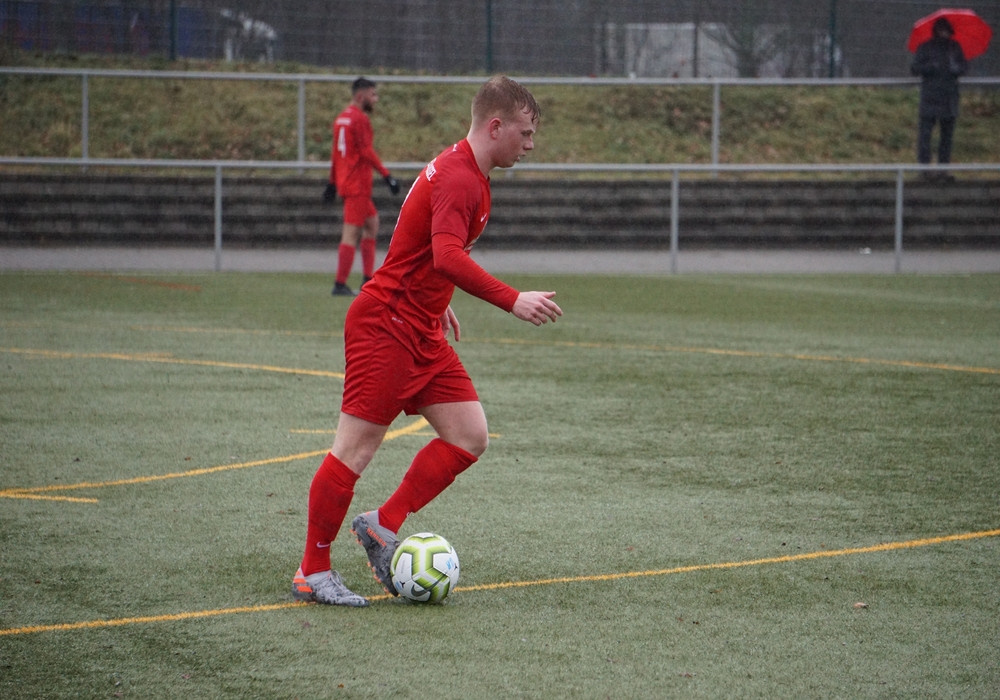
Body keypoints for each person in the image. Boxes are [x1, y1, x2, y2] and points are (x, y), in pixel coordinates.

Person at [292, 75, 563, 606]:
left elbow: (419, 250)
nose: (530, 144)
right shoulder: (462, 178)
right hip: (386, 326)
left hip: (419, 324)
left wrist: (439, 302)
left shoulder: (469, 172)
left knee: (469, 435)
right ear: (495, 125)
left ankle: (381, 524)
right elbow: (446, 255)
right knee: (354, 448)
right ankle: (312, 569)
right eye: (526, 133)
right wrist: (512, 299)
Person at [324, 77, 400, 296]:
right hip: (357, 184)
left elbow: (336, 155)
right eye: (372, 95)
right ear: (360, 95)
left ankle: (368, 280)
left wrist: (331, 182)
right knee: (350, 233)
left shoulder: (342, 119)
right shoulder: (359, 120)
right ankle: (340, 284)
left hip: (347, 181)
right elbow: (367, 152)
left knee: (372, 223)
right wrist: (387, 177)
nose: (375, 100)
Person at [910, 17, 968, 181]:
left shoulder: (954, 48)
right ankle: (924, 170)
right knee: (925, 136)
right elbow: (914, 68)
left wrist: (954, 68)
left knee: (946, 138)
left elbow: (963, 67)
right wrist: (930, 67)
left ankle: (943, 169)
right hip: (930, 97)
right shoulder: (926, 47)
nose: (944, 33)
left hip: (949, 98)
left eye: (946, 30)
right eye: (941, 30)